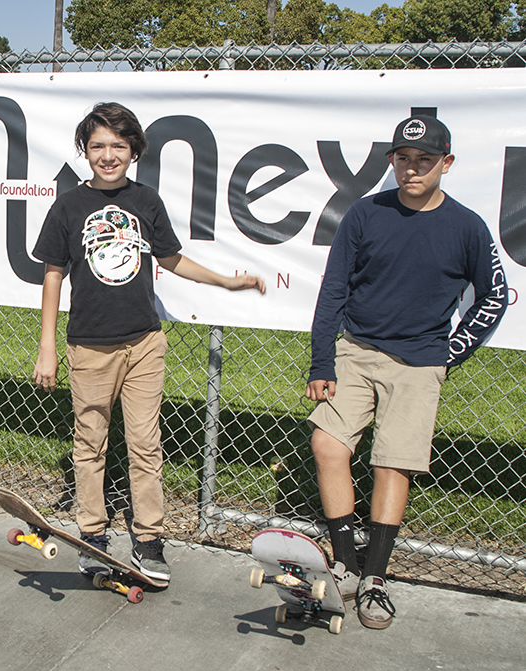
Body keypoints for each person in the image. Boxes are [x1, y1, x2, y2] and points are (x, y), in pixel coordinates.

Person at [31, 102, 265, 583]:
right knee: (90, 444)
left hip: (144, 344)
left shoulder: (147, 201)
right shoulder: (68, 206)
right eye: (98, 146)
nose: (108, 155)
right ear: (84, 150)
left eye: (118, 145)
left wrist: (226, 282)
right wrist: (47, 347)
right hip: (89, 347)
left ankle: (149, 541)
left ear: (134, 150)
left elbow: (172, 259)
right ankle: (93, 537)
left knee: (145, 444)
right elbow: (53, 274)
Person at [305, 115, 507, 629]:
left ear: (446, 163)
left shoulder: (467, 226)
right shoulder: (365, 213)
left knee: (392, 464)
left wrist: (449, 352)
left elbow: (494, 295)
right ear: (392, 161)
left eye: (424, 160)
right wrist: (323, 360)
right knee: (328, 444)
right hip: (357, 351)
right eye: (402, 159)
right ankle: (347, 565)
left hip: (420, 361)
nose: (411, 169)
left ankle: (375, 577)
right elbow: (334, 289)